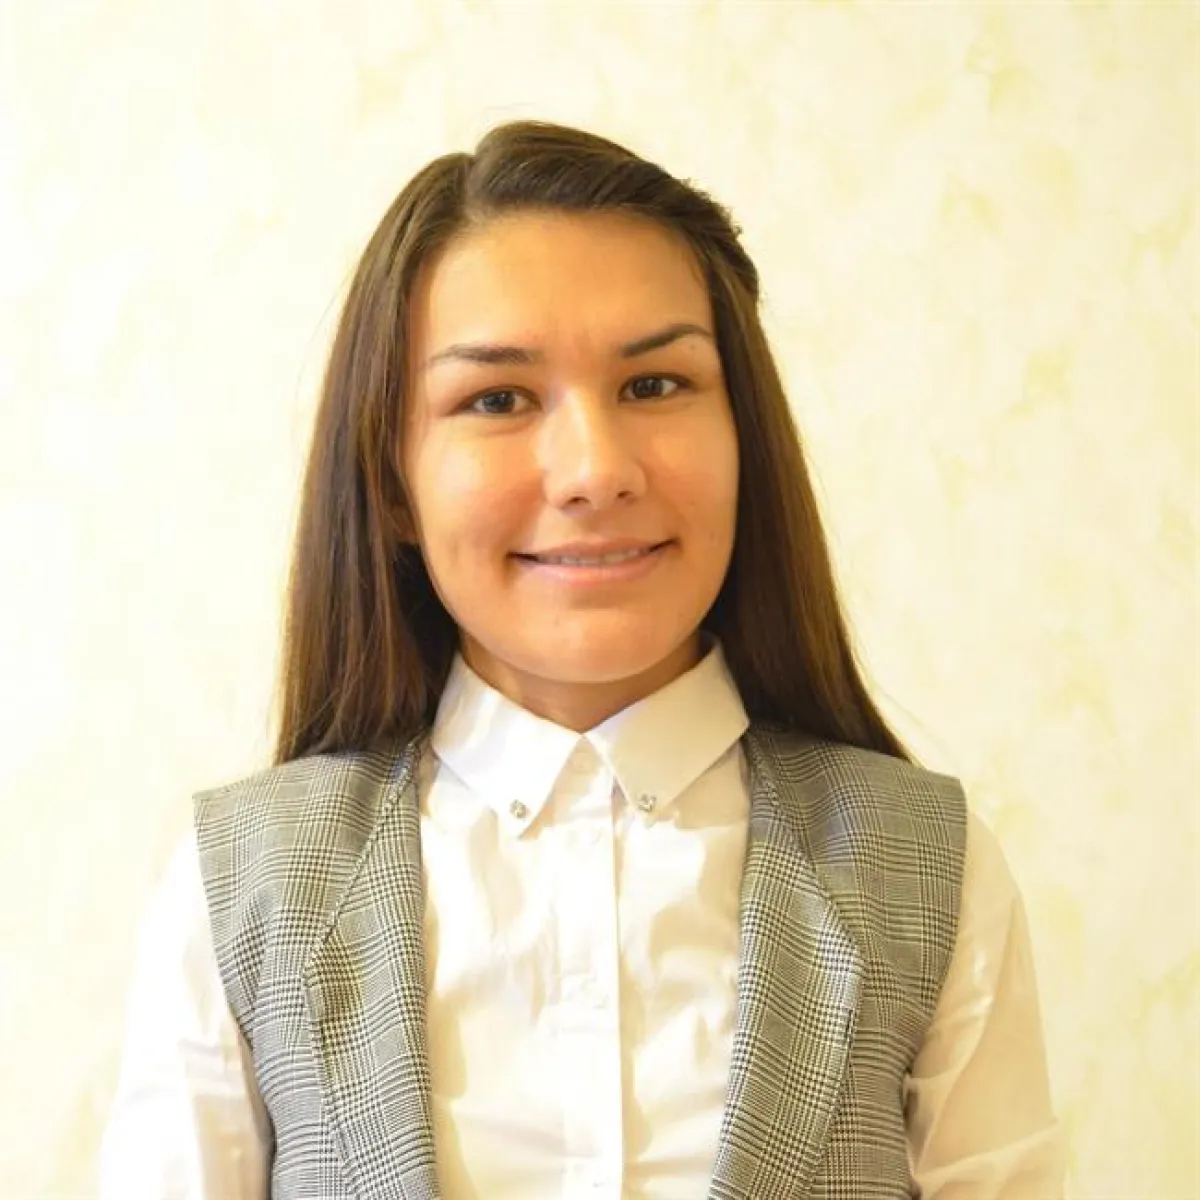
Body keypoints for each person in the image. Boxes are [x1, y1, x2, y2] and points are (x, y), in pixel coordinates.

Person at [98, 120, 1063, 1199]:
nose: (595, 471)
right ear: (391, 480)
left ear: (745, 437)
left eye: (654, 385)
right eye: (497, 400)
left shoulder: (931, 868)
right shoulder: (239, 886)